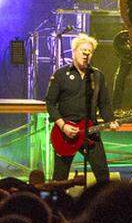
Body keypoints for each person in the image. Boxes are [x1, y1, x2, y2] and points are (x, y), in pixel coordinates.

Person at [44, 34, 118, 184]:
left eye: (89, 51)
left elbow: (104, 103)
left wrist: (111, 120)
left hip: (90, 131)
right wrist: (63, 126)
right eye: (83, 50)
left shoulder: (97, 76)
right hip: (65, 133)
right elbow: (50, 103)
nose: (86, 54)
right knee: (59, 178)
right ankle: (59, 206)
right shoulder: (60, 74)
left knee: (103, 175)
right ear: (74, 51)